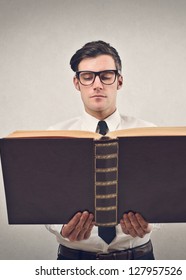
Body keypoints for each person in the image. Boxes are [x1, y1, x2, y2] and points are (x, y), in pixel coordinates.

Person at [45, 41, 158, 260]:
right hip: (74, 261)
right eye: (88, 76)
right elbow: (43, 198)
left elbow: (165, 193)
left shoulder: (148, 132)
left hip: (138, 260)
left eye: (106, 75)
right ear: (77, 83)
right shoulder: (54, 135)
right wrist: (61, 228)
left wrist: (151, 223)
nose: (97, 84)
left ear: (119, 81)